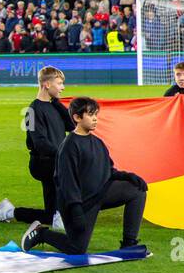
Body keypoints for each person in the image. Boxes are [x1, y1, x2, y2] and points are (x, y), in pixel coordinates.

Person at [22, 97, 148, 255]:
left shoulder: (98, 143)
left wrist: (128, 177)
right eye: (90, 115)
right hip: (79, 204)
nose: (95, 118)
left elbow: (108, 171)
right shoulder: (69, 146)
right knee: (77, 249)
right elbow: (66, 183)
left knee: (137, 191)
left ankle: (129, 244)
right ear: (77, 118)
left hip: (99, 194)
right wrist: (76, 211)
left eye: (96, 114)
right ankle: (41, 233)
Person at [0, 66, 68, 226]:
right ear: (47, 84)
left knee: (51, 215)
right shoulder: (32, 110)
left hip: (55, 161)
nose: (63, 87)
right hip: (45, 163)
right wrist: (64, 154)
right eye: (59, 83)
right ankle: (61, 216)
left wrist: (57, 103)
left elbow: (72, 125)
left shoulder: (53, 106)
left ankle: (10, 212)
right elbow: (40, 143)